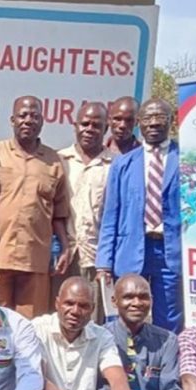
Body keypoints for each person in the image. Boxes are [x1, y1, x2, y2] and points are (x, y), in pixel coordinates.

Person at [96, 98, 183, 333]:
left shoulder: (187, 160)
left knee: (170, 316)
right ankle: (121, 364)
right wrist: (104, 261)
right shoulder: (123, 164)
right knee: (124, 315)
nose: (154, 123)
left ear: (172, 120)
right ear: (139, 123)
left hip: (171, 252)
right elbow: (110, 215)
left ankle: (166, 365)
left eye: (160, 117)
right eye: (148, 118)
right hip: (131, 249)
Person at [0, 95, 71, 318]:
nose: (28, 120)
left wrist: (65, 247)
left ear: (42, 121)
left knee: (30, 327)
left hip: (35, 258)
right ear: (12, 120)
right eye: (23, 115)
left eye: (34, 116)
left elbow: (59, 213)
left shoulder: (54, 161)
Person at [56, 101, 114, 319]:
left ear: (105, 129)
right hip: (62, 256)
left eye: (96, 125)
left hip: (96, 257)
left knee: (91, 319)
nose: (90, 129)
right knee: (57, 315)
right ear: (75, 125)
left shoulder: (114, 165)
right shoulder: (59, 160)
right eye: (85, 124)